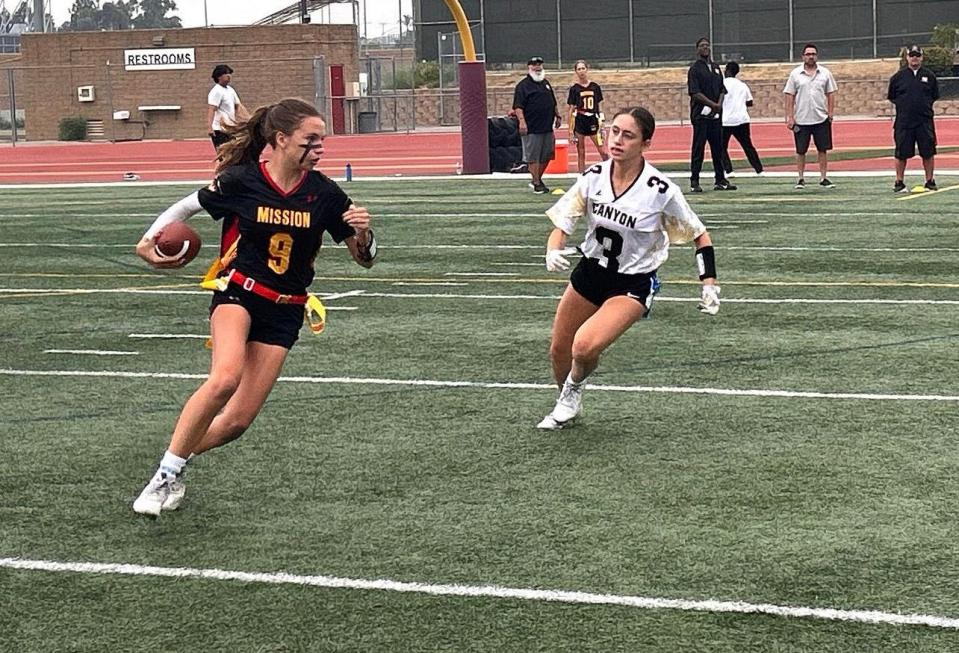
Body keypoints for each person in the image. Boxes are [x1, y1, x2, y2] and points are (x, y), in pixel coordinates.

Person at [132, 98, 377, 516]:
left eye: (322, 140)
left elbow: (366, 258)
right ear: (280, 140)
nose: (319, 148)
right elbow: (187, 206)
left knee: (236, 423)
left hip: (285, 309)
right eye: (310, 140)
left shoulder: (325, 194)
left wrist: (364, 233)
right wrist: (147, 241)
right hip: (239, 293)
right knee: (224, 379)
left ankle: (173, 461)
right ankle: (164, 478)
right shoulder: (242, 181)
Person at [537, 106, 720, 430]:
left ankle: (573, 389)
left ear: (645, 143)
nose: (618, 140)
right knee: (559, 350)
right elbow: (563, 222)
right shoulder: (593, 177)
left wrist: (708, 283)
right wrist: (553, 249)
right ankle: (566, 397)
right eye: (615, 131)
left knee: (584, 346)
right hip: (591, 272)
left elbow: (699, 235)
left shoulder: (661, 191)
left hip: (632, 282)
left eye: (629, 135)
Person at [783, 44, 838, 189]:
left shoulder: (825, 73)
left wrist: (830, 113)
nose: (811, 56)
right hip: (801, 119)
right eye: (808, 54)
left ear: (817, 56)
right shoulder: (795, 74)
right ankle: (801, 178)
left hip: (821, 117)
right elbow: (789, 95)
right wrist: (790, 116)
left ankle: (823, 177)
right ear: (803, 56)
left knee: (822, 149)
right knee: (801, 150)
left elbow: (831, 93)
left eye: (813, 54)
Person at [887, 45, 940, 192]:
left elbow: (934, 95)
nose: (915, 58)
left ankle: (929, 180)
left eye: (917, 55)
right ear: (907, 57)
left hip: (924, 121)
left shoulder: (929, 76)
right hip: (904, 122)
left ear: (922, 57)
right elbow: (892, 96)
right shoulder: (898, 77)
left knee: (928, 151)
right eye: (912, 55)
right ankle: (899, 182)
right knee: (901, 152)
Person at [687, 37, 735, 193]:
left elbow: (722, 89)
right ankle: (695, 181)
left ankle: (720, 179)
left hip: (715, 116)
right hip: (700, 116)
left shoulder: (715, 67)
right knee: (698, 148)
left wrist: (719, 105)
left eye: (707, 45)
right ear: (697, 49)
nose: (705, 48)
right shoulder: (695, 69)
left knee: (718, 148)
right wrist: (711, 105)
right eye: (702, 46)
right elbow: (695, 93)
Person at [513, 56, 563, 194]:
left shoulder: (545, 83)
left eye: (539, 64)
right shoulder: (523, 86)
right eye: (534, 64)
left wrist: (557, 115)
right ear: (529, 67)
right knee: (533, 156)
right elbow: (518, 106)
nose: (538, 67)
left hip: (547, 126)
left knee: (547, 155)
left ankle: (537, 179)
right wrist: (522, 122)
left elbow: (552, 101)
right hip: (532, 127)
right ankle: (536, 183)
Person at [720, 62, 764, 177]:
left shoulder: (721, 84)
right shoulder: (742, 85)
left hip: (725, 120)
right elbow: (750, 102)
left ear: (727, 71)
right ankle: (759, 170)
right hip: (742, 119)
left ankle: (729, 170)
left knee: (721, 147)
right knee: (748, 146)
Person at [567, 60, 609, 173]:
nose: (581, 71)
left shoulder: (595, 87)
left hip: (593, 120)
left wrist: (602, 124)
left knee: (602, 150)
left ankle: (611, 172)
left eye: (583, 68)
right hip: (580, 120)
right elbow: (571, 109)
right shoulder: (574, 89)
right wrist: (570, 131)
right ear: (576, 71)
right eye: (579, 69)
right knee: (581, 152)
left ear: (587, 69)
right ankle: (581, 176)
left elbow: (600, 105)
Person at [207, 64, 249, 150]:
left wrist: (248, 119)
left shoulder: (230, 90)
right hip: (220, 129)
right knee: (225, 155)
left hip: (230, 128)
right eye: (226, 73)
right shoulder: (216, 91)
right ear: (219, 77)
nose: (228, 76)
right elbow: (212, 109)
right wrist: (210, 127)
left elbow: (238, 106)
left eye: (229, 73)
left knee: (234, 154)